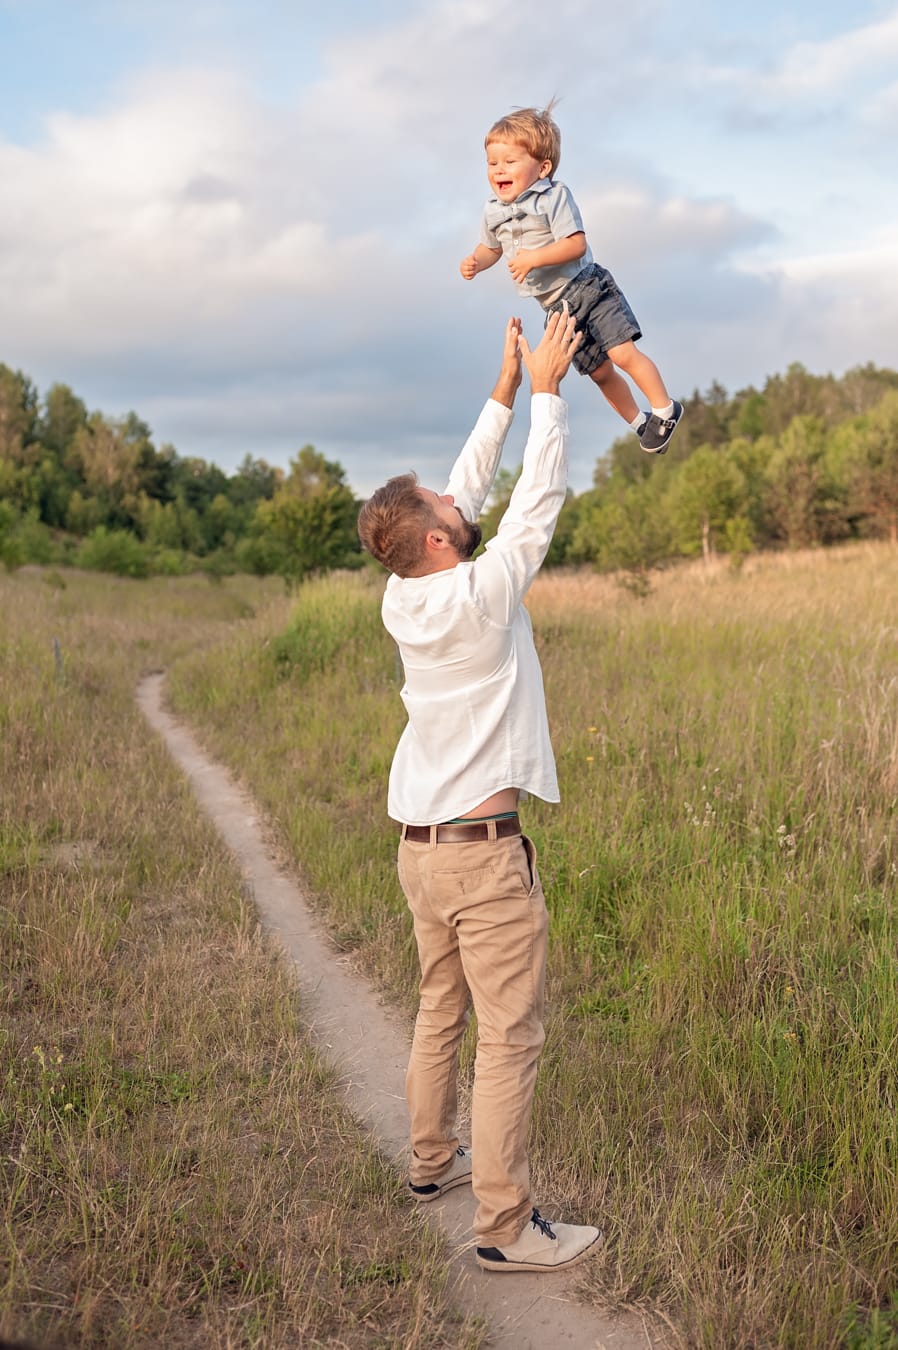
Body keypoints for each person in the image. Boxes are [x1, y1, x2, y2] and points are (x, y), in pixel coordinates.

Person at [357, 310, 603, 1273]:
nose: (460, 501)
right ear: (437, 542)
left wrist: (502, 389)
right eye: (444, 507)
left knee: (438, 1009)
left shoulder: (403, 591)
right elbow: (535, 503)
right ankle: (504, 1229)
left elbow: (460, 491)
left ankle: (430, 1164)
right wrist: (548, 391)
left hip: (421, 852)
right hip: (483, 857)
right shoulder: (479, 593)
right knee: (509, 1037)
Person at [460, 101, 684, 455]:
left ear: (543, 167)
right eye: (492, 163)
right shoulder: (493, 212)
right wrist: (475, 261)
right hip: (558, 309)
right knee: (599, 372)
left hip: (588, 288)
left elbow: (576, 245)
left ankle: (665, 409)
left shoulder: (553, 197)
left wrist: (534, 258)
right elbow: (492, 249)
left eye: (509, 161)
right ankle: (640, 424)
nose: (498, 170)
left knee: (622, 353)